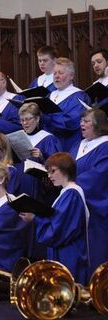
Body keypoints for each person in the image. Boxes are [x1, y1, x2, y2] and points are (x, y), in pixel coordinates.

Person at [19, 152, 89, 285]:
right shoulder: (65, 193)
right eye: (48, 172)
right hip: (65, 251)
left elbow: (58, 230)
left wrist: (34, 218)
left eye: (53, 171)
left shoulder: (72, 194)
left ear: (65, 169)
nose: (49, 176)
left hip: (69, 254)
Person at [69, 109, 108, 277]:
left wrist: (70, 182)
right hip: (75, 202)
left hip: (95, 207)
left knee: (96, 250)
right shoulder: (79, 144)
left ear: (98, 125)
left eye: (86, 121)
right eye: (81, 121)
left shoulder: (105, 145)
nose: (81, 124)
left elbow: (98, 175)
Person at [42, 57, 91, 152]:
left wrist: (45, 117)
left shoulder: (79, 96)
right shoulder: (49, 96)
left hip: (68, 145)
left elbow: (69, 123)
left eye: (60, 73)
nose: (56, 76)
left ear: (71, 76)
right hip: (48, 147)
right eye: (55, 73)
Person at [16, 102, 61, 200]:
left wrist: (41, 156)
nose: (25, 123)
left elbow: (56, 166)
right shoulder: (18, 137)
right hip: (19, 184)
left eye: (28, 119)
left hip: (38, 188)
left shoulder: (48, 139)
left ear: (37, 119)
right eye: (22, 120)